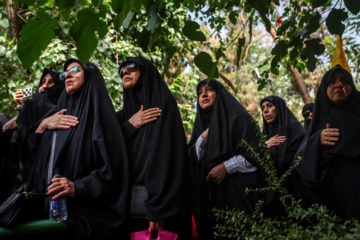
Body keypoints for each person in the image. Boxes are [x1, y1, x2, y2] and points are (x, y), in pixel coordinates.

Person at [20, 59, 129, 239]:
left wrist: (77, 187)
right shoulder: (57, 113)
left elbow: (113, 172)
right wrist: (43, 126)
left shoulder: (98, 117)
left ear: (89, 75)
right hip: (45, 215)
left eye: (75, 70)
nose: (67, 75)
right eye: (64, 74)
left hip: (80, 220)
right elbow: (29, 157)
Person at [116, 56, 192, 239]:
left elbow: (166, 159)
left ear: (145, 72)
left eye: (131, 67)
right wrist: (129, 125)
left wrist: (158, 207)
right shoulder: (124, 114)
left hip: (156, 206)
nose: (125, 72)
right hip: (127, 205)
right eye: (122, 70)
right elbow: (108, 149)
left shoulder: (162, 104)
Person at [188, 79, 263, 240]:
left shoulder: (239, 117)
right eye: (200, 93)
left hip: (239, 197)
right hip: (211, 203)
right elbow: (192, 160)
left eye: (209, 90)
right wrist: (203, 137)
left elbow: (256, 155)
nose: (204, 95)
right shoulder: (200, 125)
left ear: (219, 93)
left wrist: (226, 167)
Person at [294, 65, 360, 219]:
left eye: (344, 81)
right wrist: (317, 140)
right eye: (332, 82)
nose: (339, 84)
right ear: (324, 88)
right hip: (331, 205)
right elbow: (300, 163)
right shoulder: (317, 123)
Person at [260, 96, 305, 217]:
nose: (265, 111)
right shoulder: (264, 137)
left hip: (298, 193)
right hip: (273, 197)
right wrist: (264, 146)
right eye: (263, 108)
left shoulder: (296, 131)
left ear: (279, 108)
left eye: (270, 106)